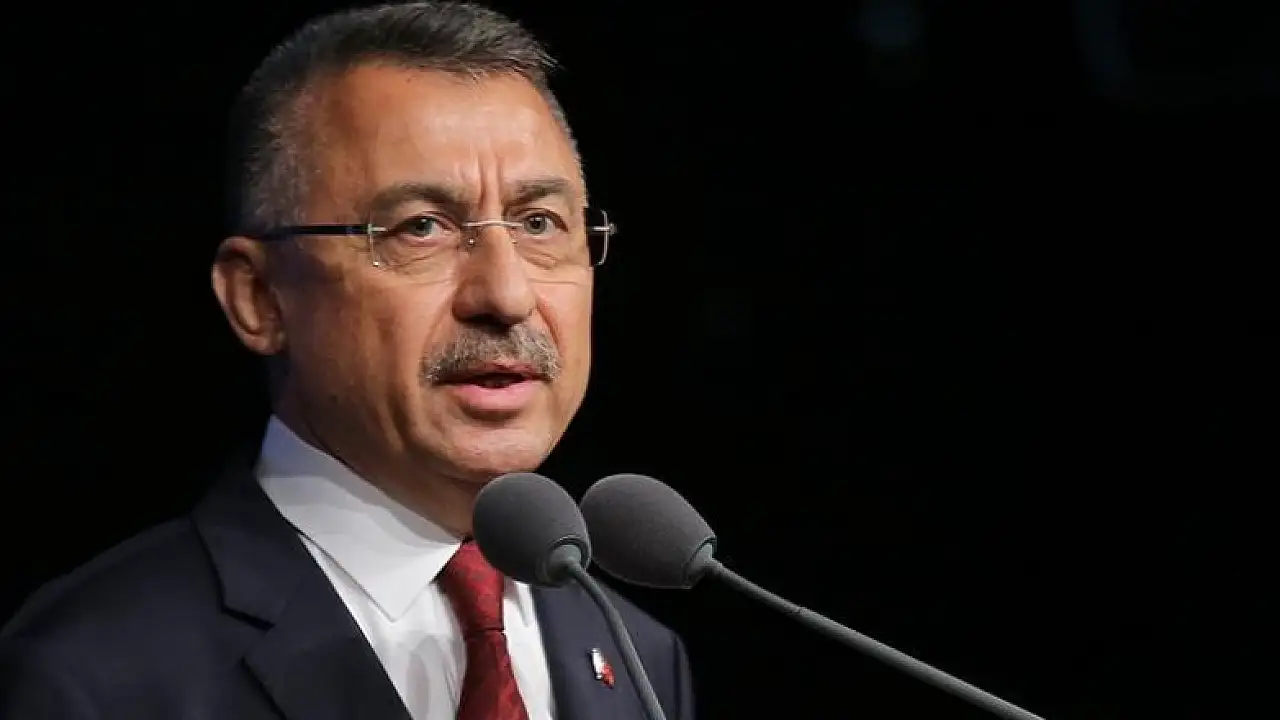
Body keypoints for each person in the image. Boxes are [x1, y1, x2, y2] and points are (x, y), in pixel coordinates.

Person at [0, 3, 694, 719]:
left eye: (539, 223)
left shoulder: (641, 661)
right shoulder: (94, 674)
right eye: (421, 228)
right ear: (260, 298)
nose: (507, 295)